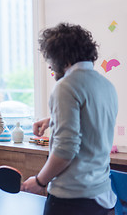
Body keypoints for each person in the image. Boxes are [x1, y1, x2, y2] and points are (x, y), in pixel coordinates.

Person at [21, 23, 118, 215]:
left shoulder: (65, 86)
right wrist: (52, 120)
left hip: (72, 202)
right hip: (104, 200)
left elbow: (65, 150)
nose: (49, 65)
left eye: (49, 58)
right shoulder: (106, 85)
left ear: (61, 56)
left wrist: (40, 180)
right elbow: (92, 118)